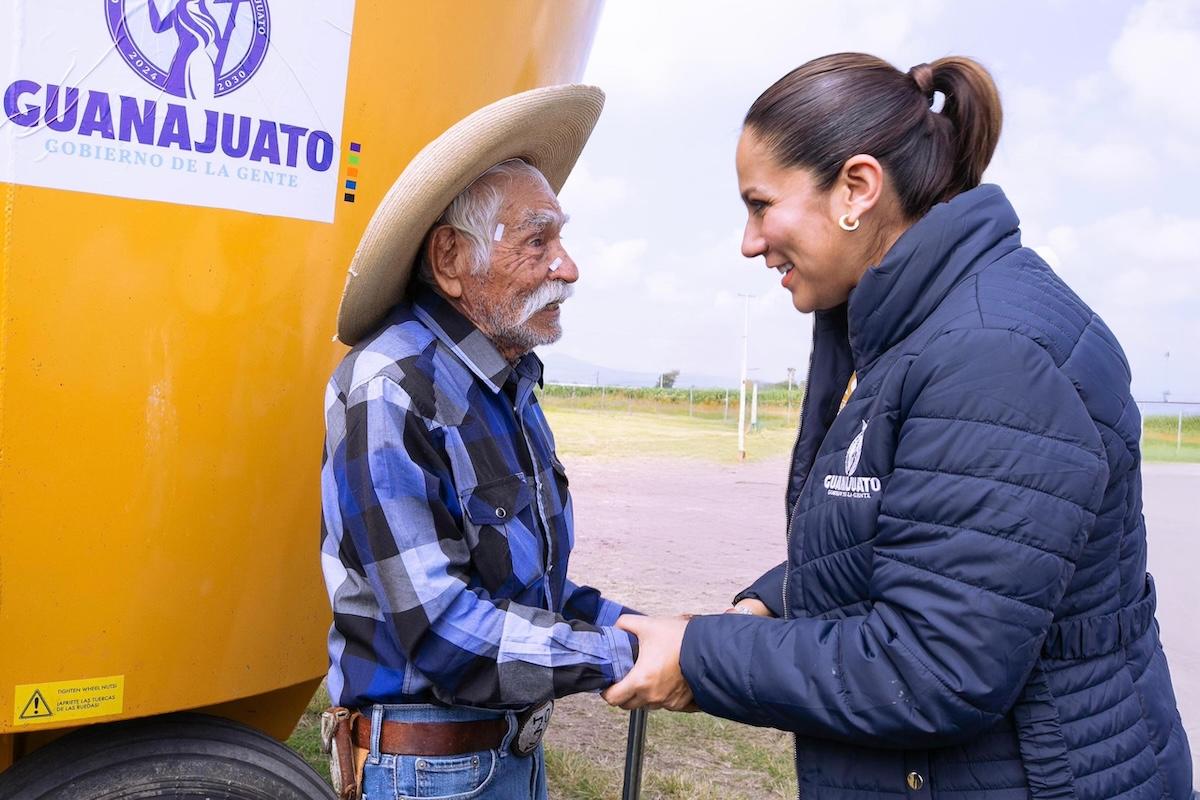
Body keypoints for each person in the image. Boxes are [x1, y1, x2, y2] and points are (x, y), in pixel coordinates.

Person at [603, 54, 1193, 799]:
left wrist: (701, 655)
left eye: (760, 205)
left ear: (857, 187)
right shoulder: (900, 328)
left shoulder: (993, 355)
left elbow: (937, 663)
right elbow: (922, 540)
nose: (749, 242)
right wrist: (772, 602)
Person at [320, 85, 636, 800]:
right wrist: (626, 656)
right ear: (451, 259)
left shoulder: (509, 381)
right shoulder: (393, 386)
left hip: (502, 758)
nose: (568, 266)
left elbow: (531, 592)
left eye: (560, 238)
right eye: (538, 241)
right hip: (431, 775)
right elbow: (442, 631)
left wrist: (656, 630)